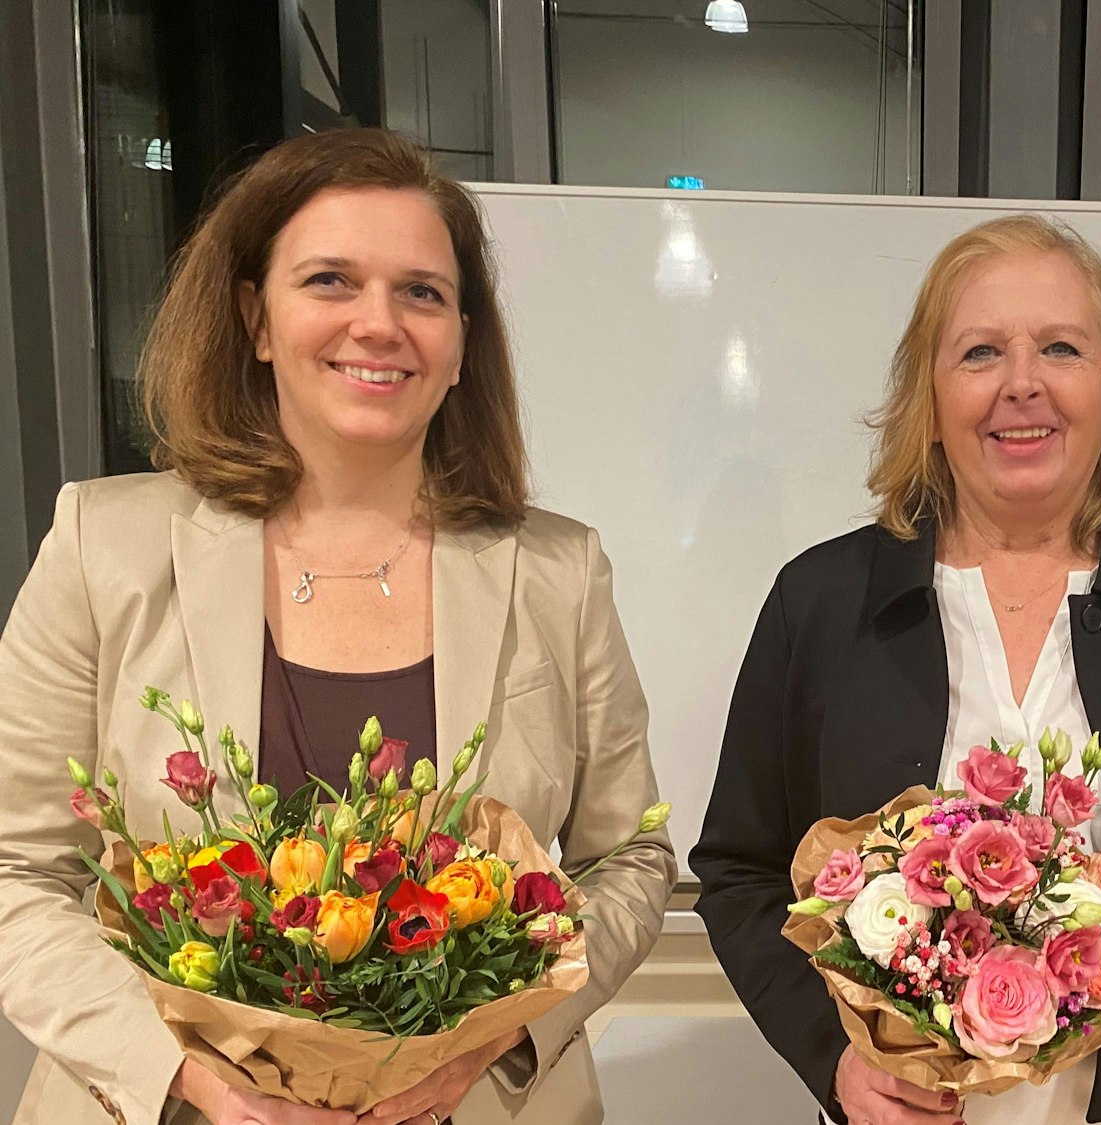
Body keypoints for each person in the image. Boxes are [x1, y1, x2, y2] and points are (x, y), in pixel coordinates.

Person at [0, 129, 675, 1125]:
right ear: (256, 320)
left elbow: (629, 859)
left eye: (421, 293)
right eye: (329, 281)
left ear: (459, 344)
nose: (379, 323)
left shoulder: (557, 572)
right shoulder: (104, 549)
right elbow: (18, 870)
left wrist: (491, 1040)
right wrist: (188, 1077)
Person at [691, 214, 1101, 1125]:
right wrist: (836, 1065)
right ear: (929, 396)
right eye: (980, 353)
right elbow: (739, 873)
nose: (1023, 384)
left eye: (1061, 347)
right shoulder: (818, 605)